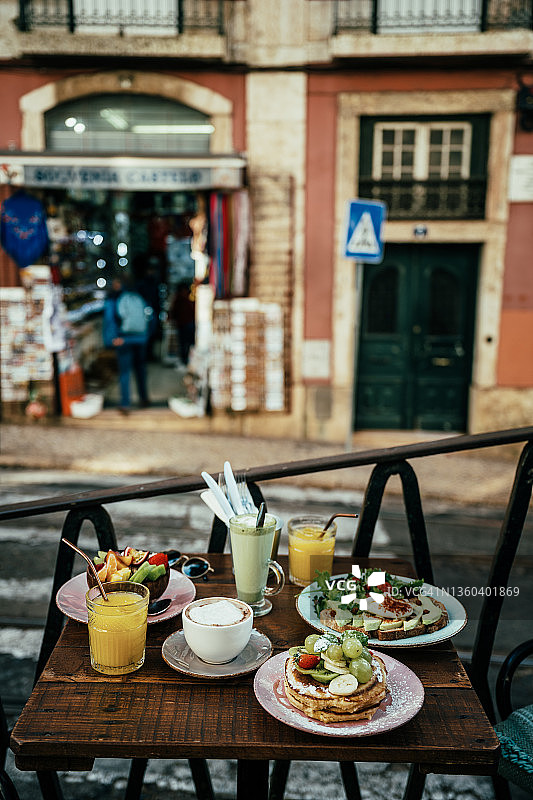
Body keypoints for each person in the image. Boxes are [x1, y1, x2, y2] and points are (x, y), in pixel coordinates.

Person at [103, 275, 151, 414]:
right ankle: (144, 399)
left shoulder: (115, 299)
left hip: (123, 339)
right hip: (140, 339)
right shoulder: (139, 298)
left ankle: (125, 403)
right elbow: (149, 317)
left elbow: (110, 320)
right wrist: (146, 336)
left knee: (125, 372)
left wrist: (111, 340)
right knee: (140, 370)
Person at [169, 281, 196, 366]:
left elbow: (173, 310)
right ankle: (186, 360)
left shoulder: (180, 298)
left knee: (184, 343)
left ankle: (186, 360)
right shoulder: (189, 297)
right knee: (186, 343)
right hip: (186, 323)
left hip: (184, 323)